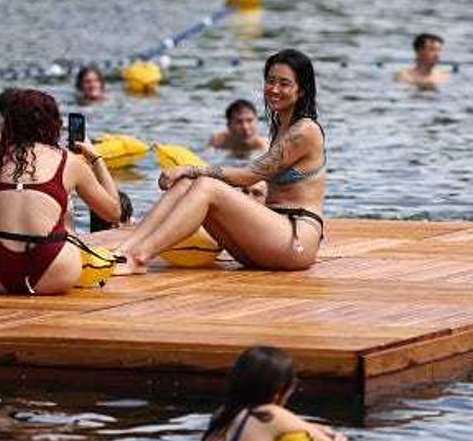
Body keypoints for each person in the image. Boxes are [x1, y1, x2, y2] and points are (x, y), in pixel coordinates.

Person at [113, 48, 326, 275]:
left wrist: (190, 168)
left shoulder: (304, 131)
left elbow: (249, 175)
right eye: (270, 81)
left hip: (295, 239)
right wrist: (189, 175)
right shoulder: (281, 126)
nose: (274, 89)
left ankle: (139, 257)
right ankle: (123, 251)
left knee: (205, 185)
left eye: (284, 84)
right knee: (186, 185)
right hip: (270, 239)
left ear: (301, 90)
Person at [0, 88, 121, 295]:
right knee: (62, 207)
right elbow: (113, 213)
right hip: (54, 269)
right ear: (54, 123)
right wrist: (96, 159)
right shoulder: (67, 161)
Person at [200, 345, 350, 441]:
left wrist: (318, 428)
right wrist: (339, 438)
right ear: (278, 393)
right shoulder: (271, 415)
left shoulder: (223, 414)